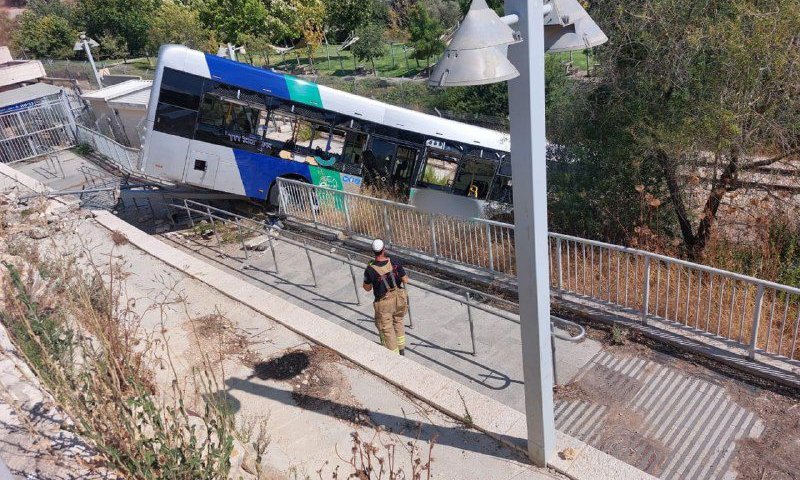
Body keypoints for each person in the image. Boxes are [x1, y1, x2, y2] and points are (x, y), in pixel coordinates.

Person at [363, 239, 409, 355]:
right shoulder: (395, 261)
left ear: (373, 251)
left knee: (387, 329)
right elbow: (405, 280)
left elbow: (367, 288)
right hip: (399, 299)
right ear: (384, 249)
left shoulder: (370, 269)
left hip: (384, 303)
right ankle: (402, 350)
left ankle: (393, 356)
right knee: (398, 321)